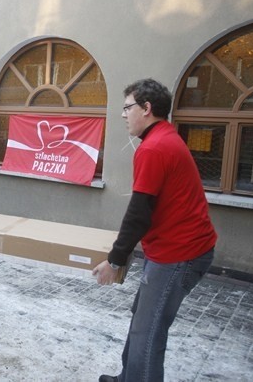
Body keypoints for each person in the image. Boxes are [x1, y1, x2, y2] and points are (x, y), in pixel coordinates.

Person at [93, 79, 217, 382]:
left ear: (146, 109)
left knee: (148, 331)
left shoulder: (155, 147)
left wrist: (115, 260)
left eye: (127, 107)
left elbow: (139, 213)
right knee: (142, 318)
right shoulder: (163, 138)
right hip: (173, 248)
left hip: (179, 253)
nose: (123, 115)